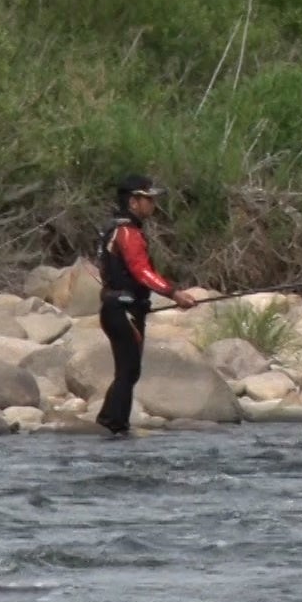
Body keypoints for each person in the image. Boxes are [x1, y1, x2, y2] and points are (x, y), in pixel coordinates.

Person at [93, 175, 207, 436]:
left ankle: (114, 423)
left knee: (127, 370)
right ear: (133, 201)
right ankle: (113, 423)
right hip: (123, 311)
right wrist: (174, 293)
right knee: (129, 371)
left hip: (118, 308)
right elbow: (141, 272)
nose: (153, 204)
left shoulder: (116, 229)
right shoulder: (127, 233)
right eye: (148, 199)